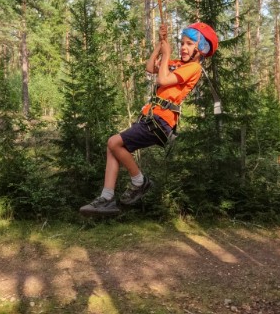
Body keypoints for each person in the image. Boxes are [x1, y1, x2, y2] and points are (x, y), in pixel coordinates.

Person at [79, 21, 218, 216]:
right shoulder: (177, 64)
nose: (183, 47)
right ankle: (107, 197)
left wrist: (166, 54)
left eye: (189, 44)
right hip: (150, 118)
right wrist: (160, 45)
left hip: (161, 122)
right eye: (182, 43)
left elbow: (162, 79)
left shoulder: (193, 68)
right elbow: (150, 67)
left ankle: (139, 182)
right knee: (113, 148)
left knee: (113, 142)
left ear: (201, 48)